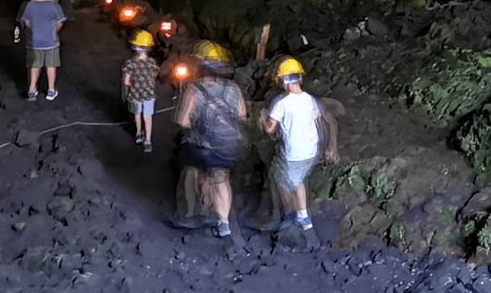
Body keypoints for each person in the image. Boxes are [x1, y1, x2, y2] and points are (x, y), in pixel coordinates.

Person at [173, 41, 248, 239]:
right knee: (221, 177)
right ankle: (224, 223)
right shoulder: (233, 88)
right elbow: (242, 115)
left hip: (202, 146)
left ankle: (192, 212)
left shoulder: (193, 89)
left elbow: (182, 122)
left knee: (191, 169)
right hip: (228, 146)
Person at [259, 57, 339, 232]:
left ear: (283, 80)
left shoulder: (281, 103)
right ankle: (295, 213)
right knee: (286, 178)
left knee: (293, 182)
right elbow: (322, 121)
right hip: (312, 150)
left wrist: (263, 119)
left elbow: (270, 129)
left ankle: (302, 218)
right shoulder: (310, 100)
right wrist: (330, 147)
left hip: (295, 152)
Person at [17, 0, 66, 101]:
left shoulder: (28, 6)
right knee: (51, 65)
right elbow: (60, 23)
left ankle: (32, 90)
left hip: (33, 42)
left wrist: (32, 31)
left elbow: (24, 23)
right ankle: (51, 91)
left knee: (34, 66)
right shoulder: (54, 6)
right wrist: (53, 32)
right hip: (51, 41)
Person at [124, 29, 160, 153]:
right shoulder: (151, 62)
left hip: (135, 94)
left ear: (134, 46)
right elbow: (155, 74)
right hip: (149, 94)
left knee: (137, 114)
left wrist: (132, 85)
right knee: (148, 116)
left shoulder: (130, 63)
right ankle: (148, 141)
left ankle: (139, 134)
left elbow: (126, 81)